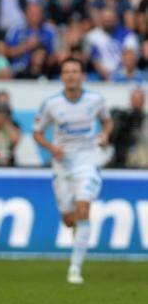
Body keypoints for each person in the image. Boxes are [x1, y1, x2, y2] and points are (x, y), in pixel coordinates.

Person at [33, 57, 113, 285]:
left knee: (83, 208)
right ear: (62, 76)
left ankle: (75, 268)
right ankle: (77, 240)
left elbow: (107, 121)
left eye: (75, 71)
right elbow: (37, 132)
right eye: (66, 71)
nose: (70, 75)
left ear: (82, 76)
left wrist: (105, 135)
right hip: (63, 166)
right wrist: (51, 148)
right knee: (69, 219)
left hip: (88, 161)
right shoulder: (51, 104)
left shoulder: (95, 100)